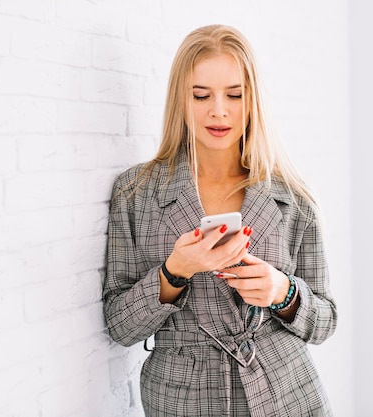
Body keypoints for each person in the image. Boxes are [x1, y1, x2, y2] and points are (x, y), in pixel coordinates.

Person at [103, 24, 337, 417]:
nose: (218, 110)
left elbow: (325, 321)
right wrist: (174, 272)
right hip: (183, 396)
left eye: (234, 94)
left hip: (286, 391)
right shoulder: (135, 193)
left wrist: (283, 292)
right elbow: (120, 326)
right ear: (181, 98)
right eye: (200, 95)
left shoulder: (293, 198)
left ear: (253, 100)